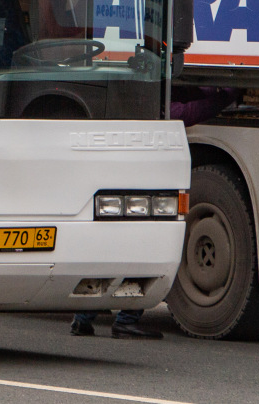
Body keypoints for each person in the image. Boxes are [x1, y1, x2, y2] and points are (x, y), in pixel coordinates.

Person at [70, 86, 242, 338]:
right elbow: (186, 111)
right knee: (142, 250)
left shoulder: (118, 94)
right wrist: (226, 96)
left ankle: (82, 317)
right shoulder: (151, 102)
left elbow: (184, 100)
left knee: (109, 249)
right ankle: (126, 320)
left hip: (112, 182)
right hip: (138, 185)